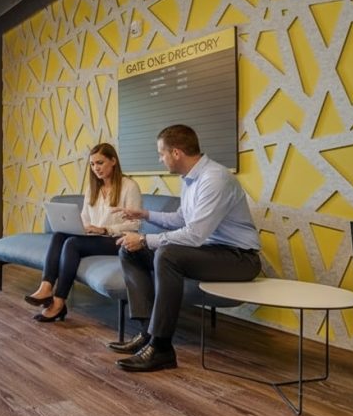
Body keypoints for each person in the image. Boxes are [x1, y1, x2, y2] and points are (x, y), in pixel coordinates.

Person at [111, 124, 261, 372]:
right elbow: (181, 219)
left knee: (167, 254)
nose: (161, 159)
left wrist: (146, 240)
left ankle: (161, 349)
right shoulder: (190, 179)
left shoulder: (215, 179)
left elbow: (194, 235)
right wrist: (144, 214)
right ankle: (148, 332)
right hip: (211, 252)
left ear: (176, 153)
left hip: (239, 258)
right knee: (129, 250)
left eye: (162, 154)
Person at [25, 143, 142, 322]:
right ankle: (46, 287)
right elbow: (85, 218)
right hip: (95, 237)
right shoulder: (92, 189)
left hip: (117, 239)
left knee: (72, 244)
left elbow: (135, 224)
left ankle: (58, 302)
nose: (96, 168)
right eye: (93, 164)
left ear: (113, 161)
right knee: (59, 235)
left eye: (100, 163)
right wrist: (81, 227)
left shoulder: (129, 186)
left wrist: (104, 229)